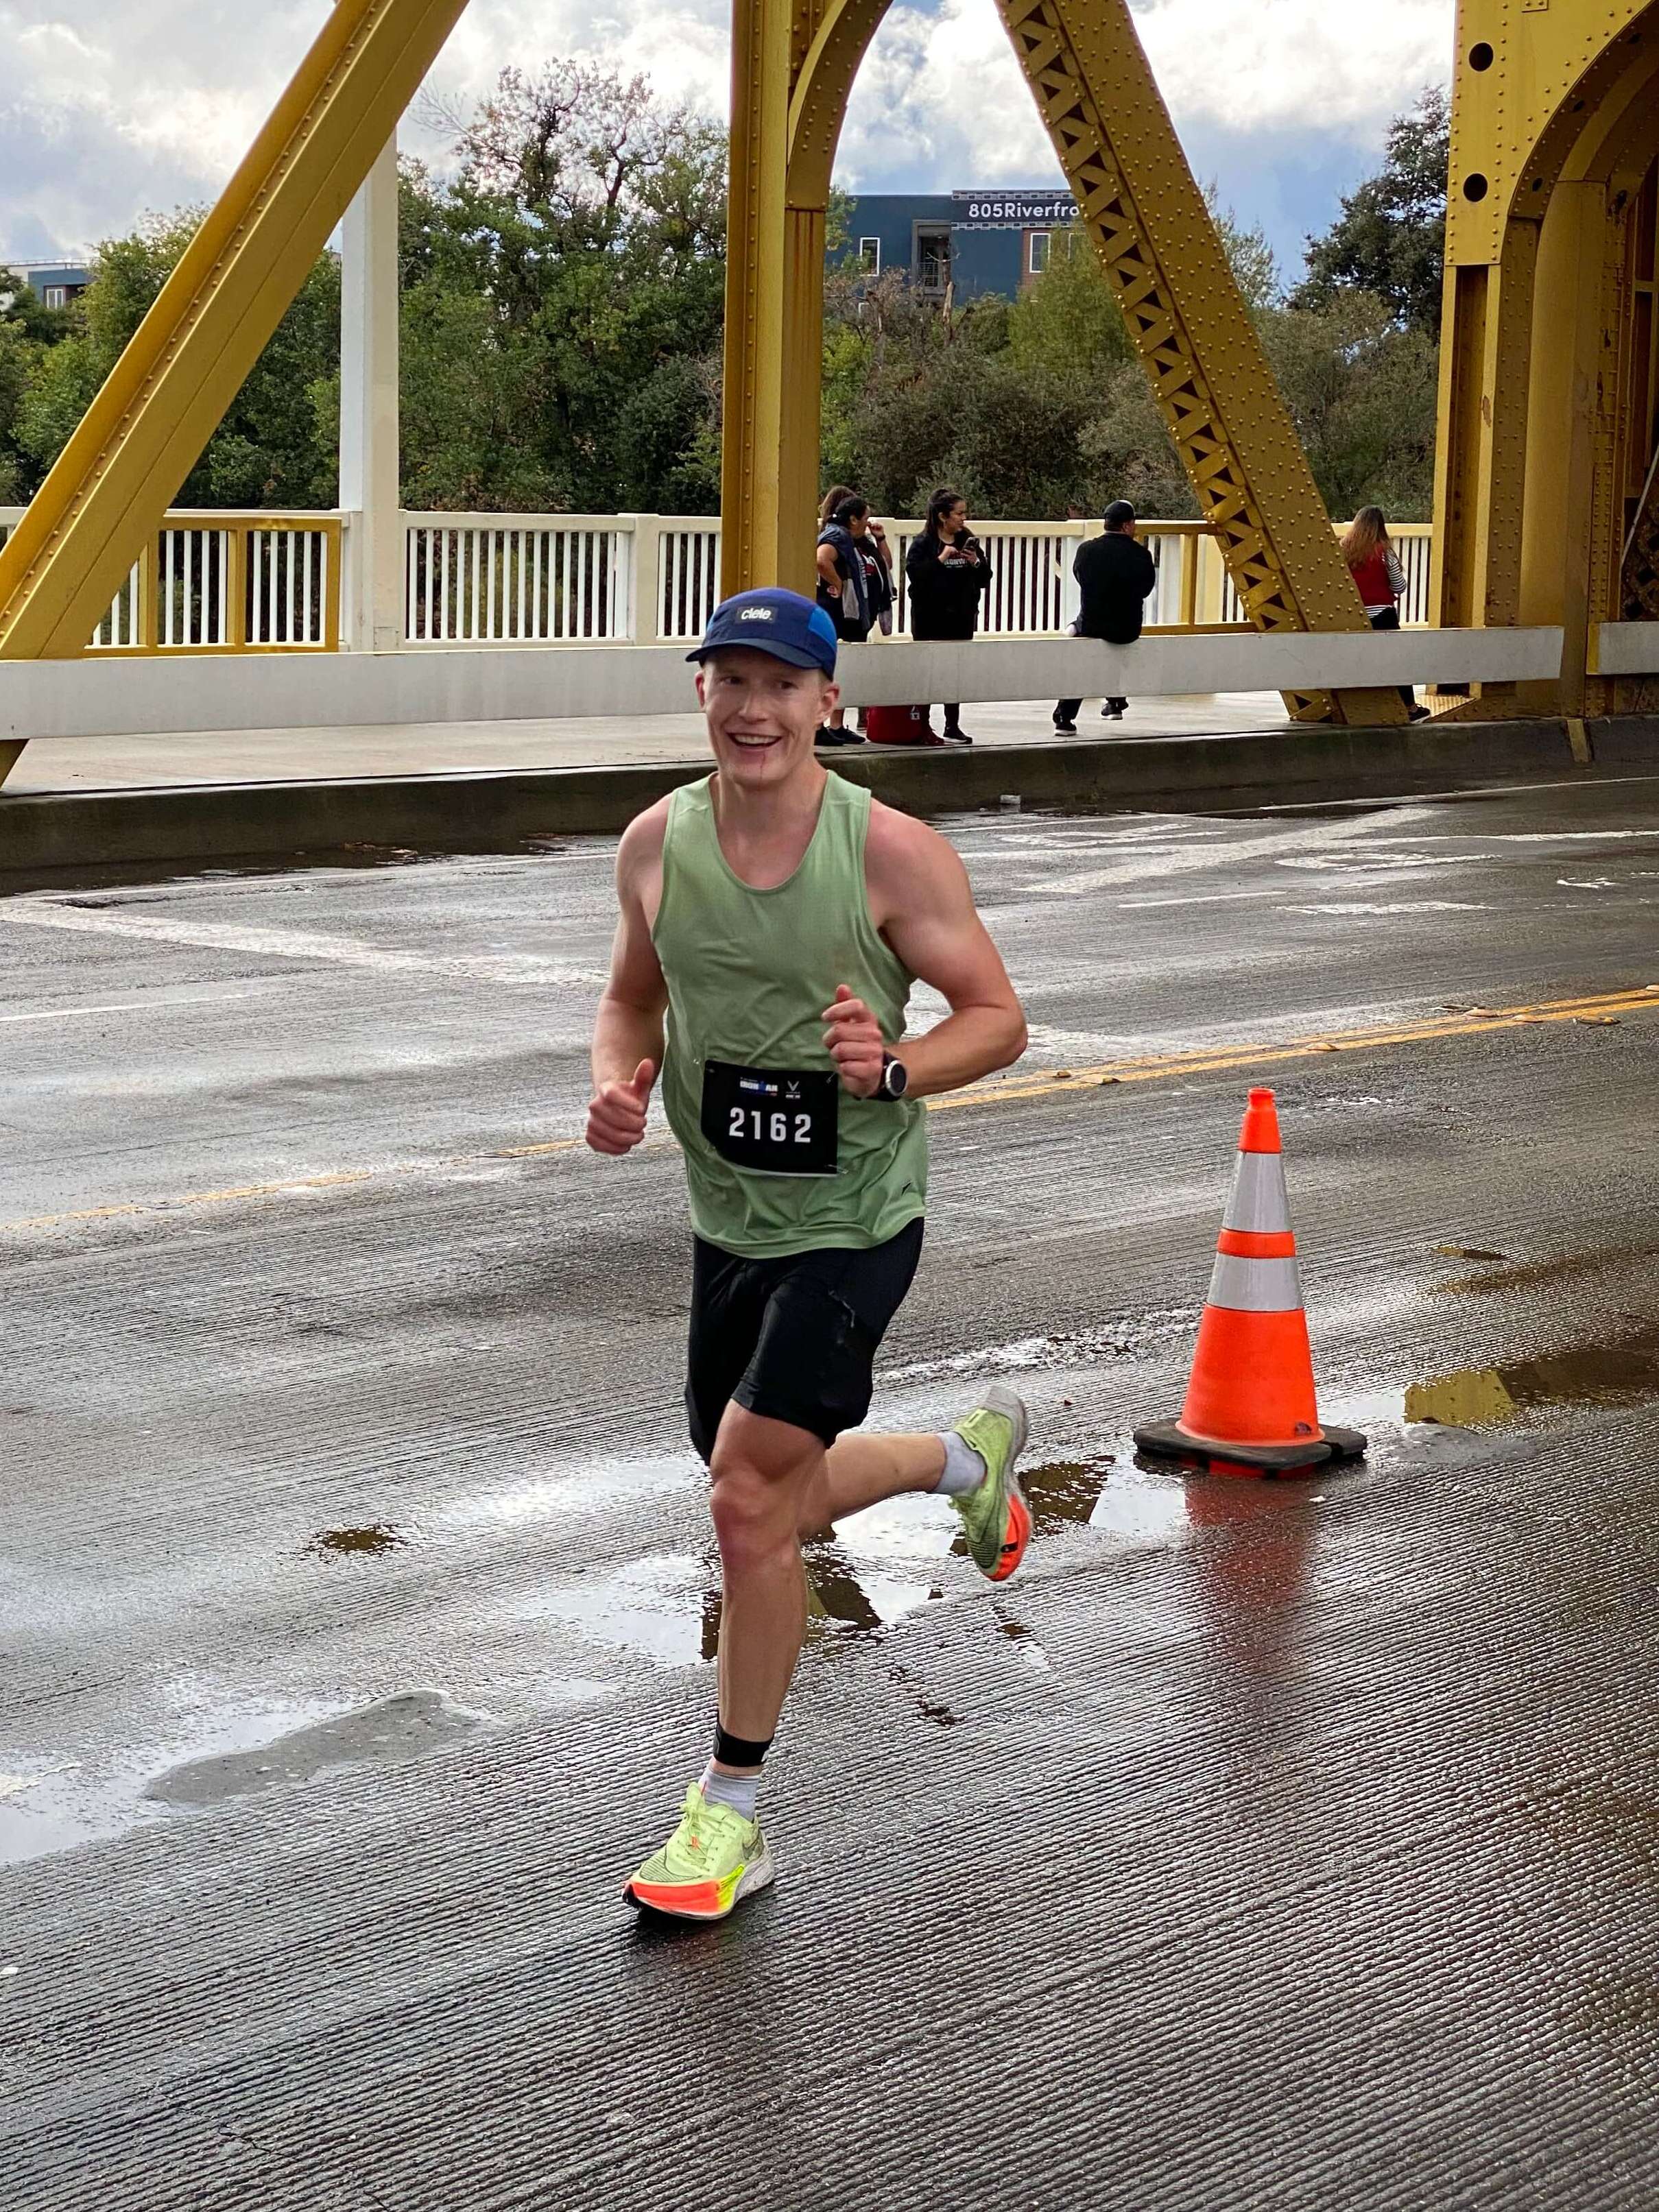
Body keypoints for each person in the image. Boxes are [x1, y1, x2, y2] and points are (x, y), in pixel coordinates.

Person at [587, 585, 1032, 1921]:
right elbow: (627, 1001)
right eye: (729, 678)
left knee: (741, 1503)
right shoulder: (657, 844)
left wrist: (893, 1067)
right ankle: (966, 1461)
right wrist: (618, 1081)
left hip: (855, 1222)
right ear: (705, 696)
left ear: (826, 703)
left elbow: (999, 1018)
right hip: (732, 1227)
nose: (751, 706)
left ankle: (727, 1812)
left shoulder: (889, 853)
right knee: (777, 1501)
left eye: (780, 683)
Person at [1053, 499, 1156, 732]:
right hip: (1127, 628)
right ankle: (1115, 703)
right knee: (1114, 651)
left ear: (1106, 524)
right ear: (1128, 525)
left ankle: (1064, 719)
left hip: (1093, 624)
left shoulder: (1087, 550)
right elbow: (1145, 590)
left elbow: (1081, 578)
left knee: (1081, 656)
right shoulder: (1141, 555)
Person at [905, 486, 993, 745]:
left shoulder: (967, 539)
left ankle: (952, 724)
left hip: (961, 617)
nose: (964, 518)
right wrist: (941, 559)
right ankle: (922, 724)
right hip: (930, 618)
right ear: (943, 516)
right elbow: (916, 578)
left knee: (955, 672)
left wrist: (975, 561)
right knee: (928, 672)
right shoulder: (924, 544)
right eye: (959, 514)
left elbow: (985, 578)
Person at [815, 494, 893, 746]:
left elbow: (886, 565)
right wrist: (838, 584)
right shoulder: (837, 536)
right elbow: (821, 559)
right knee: (828, 670)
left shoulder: (862, 541)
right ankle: (818, 726)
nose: (868, 523)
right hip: (838, 613)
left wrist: (880, 539)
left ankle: (837, 726)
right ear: (853, 519)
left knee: (846, 671)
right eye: (865, 518)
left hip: (857, 615)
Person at [1343, 506, 1430, 720]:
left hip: (1354, 616)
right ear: (1380, 526)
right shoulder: (1384, 551)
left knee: (1360, 660)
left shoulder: (1343, 549)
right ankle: (1410, 708)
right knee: (1396, 661)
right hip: (1383, 615)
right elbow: (1399, 586)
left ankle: (1359, 707)